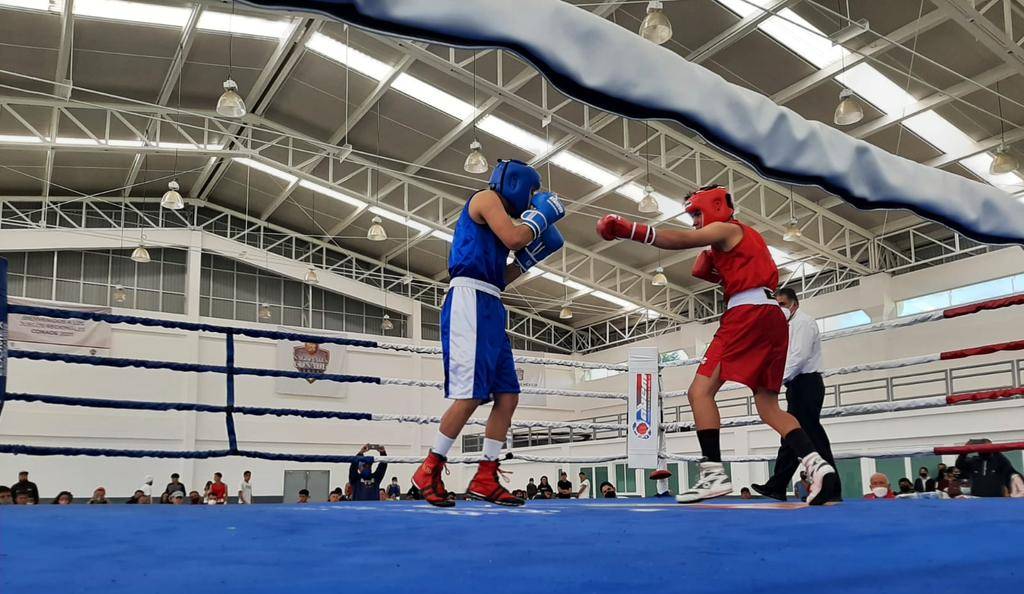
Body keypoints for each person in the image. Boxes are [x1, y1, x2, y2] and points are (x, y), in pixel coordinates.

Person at [596, 185, 836, 505]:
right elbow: (741, 274)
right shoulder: (748, 238)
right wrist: (715, 269)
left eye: (697, 213)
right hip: (771, 317)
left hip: (745, 315)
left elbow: (679, 240)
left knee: (699, 391)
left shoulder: (726, 228)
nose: (695, 221)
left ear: (716, 206)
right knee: (768, 406)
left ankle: (712, 474)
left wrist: (630, 230)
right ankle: (819, 467)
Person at [411, 160, 565, 508]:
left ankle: (485, 474)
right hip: (468, 299)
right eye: (533, 192)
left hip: (491, 301)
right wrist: (540, 218)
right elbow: (515, 237)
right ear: (515, 183)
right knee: (471, 395)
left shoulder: (501, 222)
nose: (533, 199)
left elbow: (501, 278)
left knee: (507, 395)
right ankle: (429, 467)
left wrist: (527, 261)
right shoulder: (484, 199)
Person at [751, 288, 840, 502]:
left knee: (811, 434)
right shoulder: (788, 326)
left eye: (782, 304)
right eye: (777, 305)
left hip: (807, 383)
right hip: (796, 385)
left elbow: (799, 357)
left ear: (794, 303)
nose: (780, 309)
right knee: (790, 435)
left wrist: (775, 380)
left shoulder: (803, 322)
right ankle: (778, 485)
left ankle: (832, 488)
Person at [955, 439, 1020, 497]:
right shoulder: (973, 461)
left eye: (986, 447)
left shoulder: (998, 461)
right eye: (982, 447)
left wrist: (994, 449)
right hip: (977, 498)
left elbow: (1007, 466)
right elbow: (959, 465)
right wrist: (965, 450)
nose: (984, 449)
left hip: (996, 499)